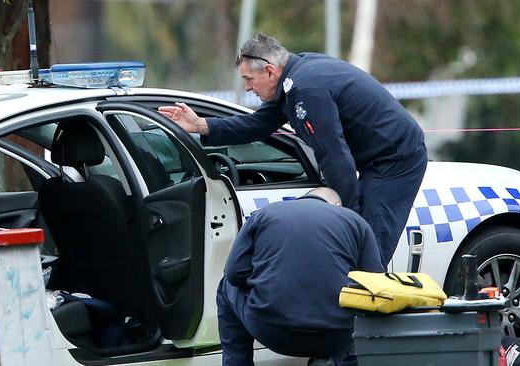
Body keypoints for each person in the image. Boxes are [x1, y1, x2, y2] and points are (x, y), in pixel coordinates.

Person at [158, 34, 427, 268]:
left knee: (367, 247)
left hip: (395, 161)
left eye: (249, 79)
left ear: (270, 71)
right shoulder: (294, 76)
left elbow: (334, 158)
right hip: (375, 159)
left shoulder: (306, 89)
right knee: (357, 243)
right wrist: (200, 125)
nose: (247, 88)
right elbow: (257, 124)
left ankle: (364, 322)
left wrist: (349, 214)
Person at [216, 188, 383, 365]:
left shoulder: (264, 214)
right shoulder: (356, 222)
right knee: (361, 305)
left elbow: (234, 274)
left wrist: (264, 282)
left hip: (273, 330)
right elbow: (375, 285)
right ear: (337, 205)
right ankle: (338, 360)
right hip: (338, 336)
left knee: (226, 286)